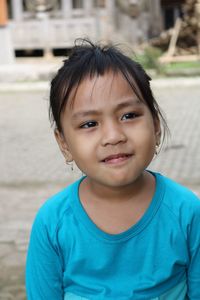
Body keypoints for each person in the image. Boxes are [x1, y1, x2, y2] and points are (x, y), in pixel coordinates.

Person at [26, 39, 200, 300]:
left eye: (128, 116)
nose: (113, 136)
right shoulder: (53, 223)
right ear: (64, 144)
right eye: (89, 123)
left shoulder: (186, 212)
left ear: (155, 125)